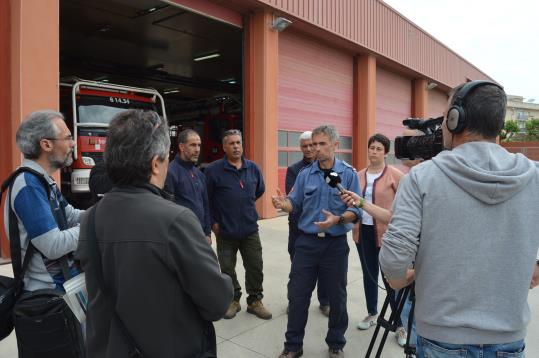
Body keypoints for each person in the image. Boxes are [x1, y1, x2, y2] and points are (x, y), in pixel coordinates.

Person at [379, 81, 539, 358]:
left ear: (455, 119)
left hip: (441, 336)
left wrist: (396, 280)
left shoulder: (421, 177)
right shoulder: (534, 177)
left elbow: (394, 258)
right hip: (509, 338)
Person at [76, 110, 233, 358]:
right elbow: (216, 302)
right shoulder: (175, 220)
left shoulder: (92, 218)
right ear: (155, 163)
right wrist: (225, 281)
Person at [272, 124, 361, 358]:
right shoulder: (304, 174)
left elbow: (357, 212)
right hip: (306, 243)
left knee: (337, 298)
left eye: (322, 144)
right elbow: (295, 203)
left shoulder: (349, 174)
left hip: (335, 245)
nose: (317, 149)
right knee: (298, 295)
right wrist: (284, 205)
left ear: (335, 145)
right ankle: (293, 346)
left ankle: (335, 343)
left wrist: (338, 219)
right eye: (314, 144)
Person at [4, 110, 83, 291]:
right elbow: (52, 245)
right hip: (48, 294)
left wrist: (104, 213)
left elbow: (69, 215)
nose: (72, 144)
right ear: (46, 144)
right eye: (68, 138)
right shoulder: (28, 185)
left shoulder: (42, 180)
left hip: (63, 285)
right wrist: (94, 226)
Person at [205, 129, 272, 320]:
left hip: (250, 229)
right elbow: (206, 199)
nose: (236, 146)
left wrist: (244, 206)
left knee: (255, 266)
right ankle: (233, 300)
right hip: (225, 231)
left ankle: (254, 301)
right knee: (226, 269)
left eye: (238, 143)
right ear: (224, 147)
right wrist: (213, 222)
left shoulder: (253, 169)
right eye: (231, 143)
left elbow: (259, 190)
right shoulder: (213, 170)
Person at [351, 133, 407, 346]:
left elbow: (405, 204)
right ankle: (372, 313)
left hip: (386, 235)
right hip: (362, 232)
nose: (373, 152)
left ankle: (400, 325)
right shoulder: (359, 175)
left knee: (391, 279)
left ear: (386, 152)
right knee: (369, 275)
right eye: (371, 148)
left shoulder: (395, 175)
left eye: (378, 149)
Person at [285, 131, 329, 316]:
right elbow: (294, 200)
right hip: (299, 229)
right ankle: (294, 302)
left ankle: (325, 302)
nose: (309, 149)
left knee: (325, 269)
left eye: (312, 145)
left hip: (323, 227)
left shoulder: (328, 167)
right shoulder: (294, 171)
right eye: (305, 146)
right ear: (300, 148)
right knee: (298, 270)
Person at [165, 129, 211, 244]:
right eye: (193, 145)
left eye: (199, 145)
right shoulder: (170, 172)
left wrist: (207, 233)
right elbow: (167, 209)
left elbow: (205, 204)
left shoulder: (199, 174)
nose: (197, 150)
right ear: (181, 147)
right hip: (181, 237)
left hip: (200, 235)